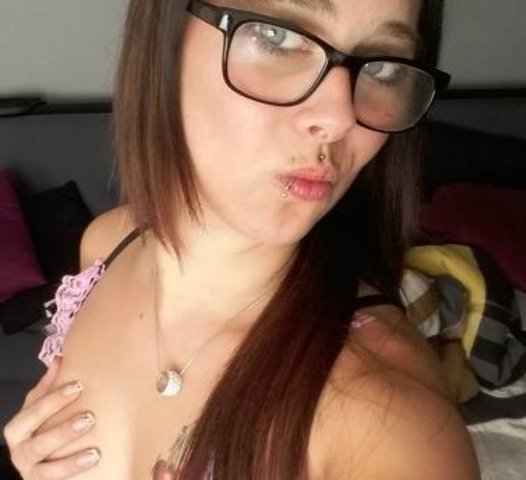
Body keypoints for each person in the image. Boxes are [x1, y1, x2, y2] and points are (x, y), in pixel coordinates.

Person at [4, 0, 480, 478]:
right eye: (279, 37)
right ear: (167, 33)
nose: (339, 119)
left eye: (383, 66)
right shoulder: (106, 245)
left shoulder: (394, 430)